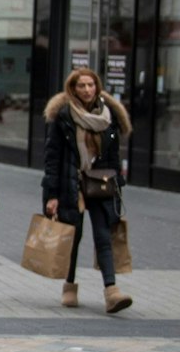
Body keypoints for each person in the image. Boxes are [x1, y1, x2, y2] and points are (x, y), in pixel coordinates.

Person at [43, 68, 134, 313]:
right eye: (81, 86)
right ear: (73, 89)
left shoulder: (108, 115)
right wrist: (51, 195)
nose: (87, 90)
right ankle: (70, 286)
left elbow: (114, 155)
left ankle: (111, 292)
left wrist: (117, 186)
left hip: (101, 184)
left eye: (91, 85)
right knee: (74, 236)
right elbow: (52, 158)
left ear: (97, 87)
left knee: (104, 237)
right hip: (71, 184)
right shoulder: (63, 116)